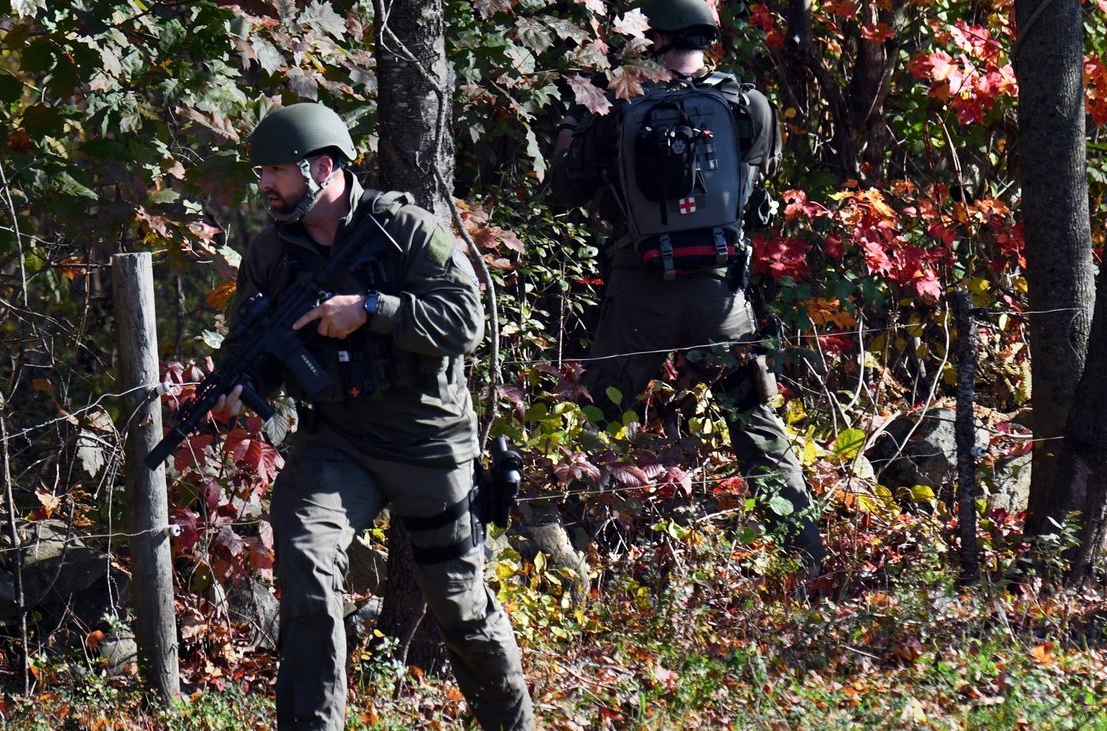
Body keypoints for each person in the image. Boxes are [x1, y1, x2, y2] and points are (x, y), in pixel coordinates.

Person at [214, 102, 534, 730]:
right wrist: (242, 387)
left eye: (275, 171)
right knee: (306, 569)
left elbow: (466, 322)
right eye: (262, 173)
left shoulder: (407, 230)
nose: (265, 186)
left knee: (460, 607)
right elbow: (253, 350)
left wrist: (373, 308)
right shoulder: (270, 252)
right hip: (338, 442)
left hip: (429, 442)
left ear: (322, 167)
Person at [548, 0, 825, 574]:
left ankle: (562, 556)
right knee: (754, 422)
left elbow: (563, 191)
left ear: (652, 34)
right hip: (720, 297)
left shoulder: (616, 106)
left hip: (640, 295)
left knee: (596, 417)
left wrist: (573, 129)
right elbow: (758, 184)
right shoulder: (747, 104)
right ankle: (806, 559)